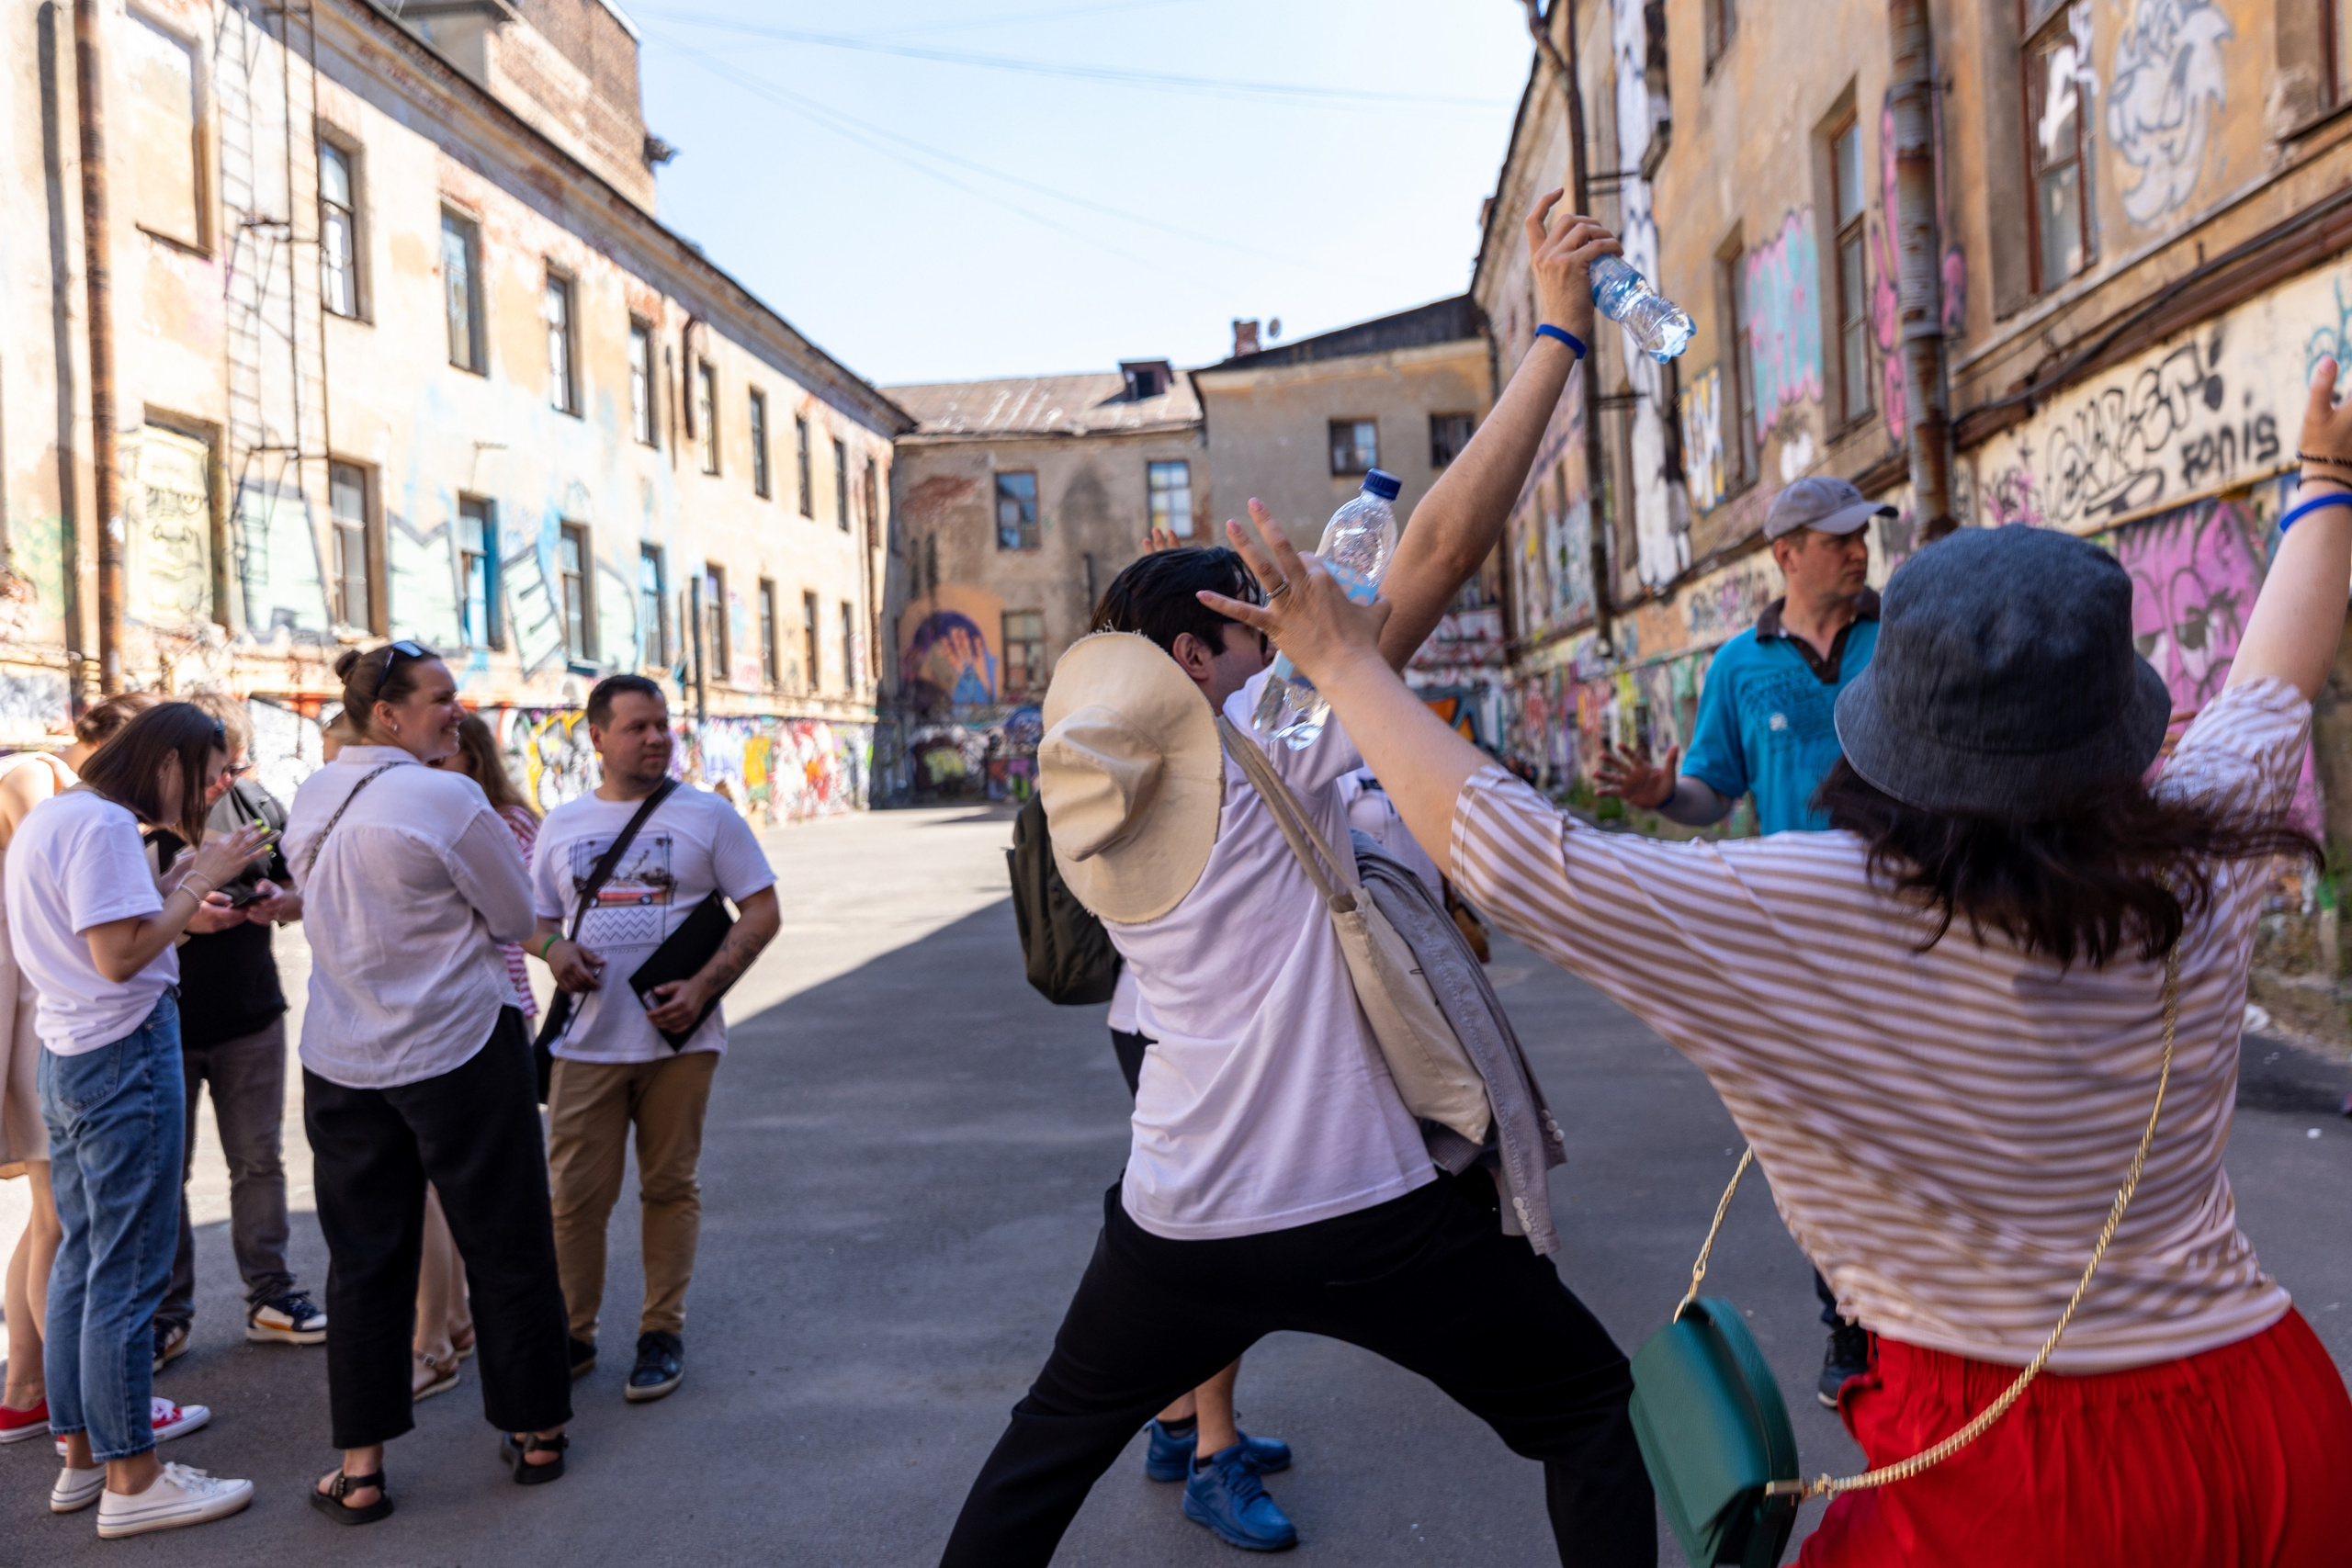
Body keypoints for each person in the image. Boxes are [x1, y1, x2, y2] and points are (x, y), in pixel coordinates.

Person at [1196, 361, 2352, 1566]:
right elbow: (2272, 682)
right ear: (2118, 721)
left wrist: (1346, 666)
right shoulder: (2198, 851)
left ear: (1893, 734)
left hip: (2006, 1478)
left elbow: (1524, 858)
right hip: (2271, 1426)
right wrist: (2325, 478)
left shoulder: (1807, 904)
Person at [940, 197, 1652, 1567]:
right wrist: (1560, 333)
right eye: (1251, 630)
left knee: (1040, 1455)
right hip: (1356, 1206)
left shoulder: (1093, 796)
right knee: (1585, 1409)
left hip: (1174, 1215)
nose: (1283, 646)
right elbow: (1438, 551)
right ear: (1193, 661)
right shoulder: (1264, 743)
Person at [1593, 472, 1893, 1403]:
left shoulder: (1904, 639)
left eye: (1863, 534)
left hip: (1909, 930)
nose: (1859, 550)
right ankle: (1849, 1326)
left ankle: (1928, 1319)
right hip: (1797, 946)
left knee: (1909, 1132)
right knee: (1823, 1147)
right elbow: (1712, 796)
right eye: (1839, 538)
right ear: (1786, 554)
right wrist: (1662, 795)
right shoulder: (1736, 667)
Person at [286, 641, 571, 1524]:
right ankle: (537, 1432)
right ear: (388, 713)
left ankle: (361, 1469)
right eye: (442, 697)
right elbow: (515, 914)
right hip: (459, 1044)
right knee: (506, 1237)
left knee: (364, 1262)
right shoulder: (447, 798)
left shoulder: (314, 793)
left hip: (344, 1053)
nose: (457, 711)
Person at [6, 703, 270, 1537]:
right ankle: (134, 1478)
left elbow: (106, 931)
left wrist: (174, 892)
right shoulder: (106, 826)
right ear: (167, 762)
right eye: (208, 775)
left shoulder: (60, 816)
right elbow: (118, 957)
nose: (211, 791)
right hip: (120, 1054)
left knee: (85, 1262)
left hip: (72, 1053)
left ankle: (86, 1457)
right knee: (124, 1271)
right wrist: (197, 878)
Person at [531, 674, 779, 1403]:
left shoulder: (708, 816)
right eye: (637, 726)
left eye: (662, 724)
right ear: (597, 736)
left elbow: (762, 909)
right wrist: (553, 949)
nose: (656, 738)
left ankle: (660, 1331)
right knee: (574, 1199)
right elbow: (533, 919)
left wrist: (702, 987)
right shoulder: (562, 824)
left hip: (681, 1046)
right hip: (586, 1043)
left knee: (670, 1186)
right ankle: (573, 1334)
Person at [147, 691, 326, 1376]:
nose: (227, 780)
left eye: (235, 765)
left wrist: (280, 903)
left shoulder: (257, 806)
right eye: (218, 767)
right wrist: (186, 911)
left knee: (258, 1162)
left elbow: (299, 890)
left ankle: (271, 1296)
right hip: (164, 1021)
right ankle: (167, 1314)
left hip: (250, 1017)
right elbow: (116, 928)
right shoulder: (140, 821)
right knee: (168, 1172)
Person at [411, 714, 539, 1402]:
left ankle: (449, 1330)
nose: (432, 772)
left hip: (495, 1006)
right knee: (441, 1181)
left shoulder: (504, 821)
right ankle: (455, 1318)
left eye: (445, 761)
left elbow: (518, 909)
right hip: (453, 1009)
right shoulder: (443, 813)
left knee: (466, 1180)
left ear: (474, 761)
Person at [0, 739, 76, 1444]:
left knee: (47, 1217)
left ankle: (26, 1388)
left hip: (26, 1020)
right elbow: (56, 885)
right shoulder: (31, 772)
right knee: (63, 1220)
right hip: (34, 1024)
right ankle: (83, 1411)